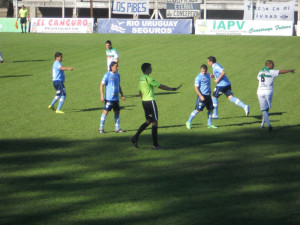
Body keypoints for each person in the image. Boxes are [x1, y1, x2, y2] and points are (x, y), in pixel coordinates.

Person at [130, 63, 182, 150]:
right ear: (147, 69)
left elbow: (140, 92)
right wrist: (173, 89)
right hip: (150, 102)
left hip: (144, 102)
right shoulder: (149, 79)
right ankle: (155, 145)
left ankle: (135, 137)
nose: (151, 69)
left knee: (148, 121)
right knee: (155, 122)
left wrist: (143, 99)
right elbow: (161, 86)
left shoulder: (141, 78)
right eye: (150, 67)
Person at [257, 60, 295, 131]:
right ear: (270, 64)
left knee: (264, 109)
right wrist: (289, 71)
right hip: (268, 91)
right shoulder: (271, 71)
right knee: (266, 108)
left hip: (260, 91)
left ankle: (262, 124)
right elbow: (280, 71)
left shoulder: (260, 71)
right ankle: (269, 124)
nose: (274, 66)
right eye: (273, 64)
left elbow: (258, 79)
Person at [186, 64, 217, 129]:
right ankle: (188, 122)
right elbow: (196, 88)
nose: (204, 72)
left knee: (210, 110)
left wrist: (215, 75)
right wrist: (200, 96)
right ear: (200, 70)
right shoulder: (198, 77)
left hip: (208, 96)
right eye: (202, 71)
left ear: (206, 70)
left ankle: (210, 124)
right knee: (198, 110)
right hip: (202, 96)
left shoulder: (208, 75)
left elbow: (212, 75)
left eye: (205, 71)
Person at [99, 61, 125, 133]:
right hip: (109, 98)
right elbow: (101, 85)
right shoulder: (107, 75)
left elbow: (118, 86)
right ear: (111, 67)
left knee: (117, 112)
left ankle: (117, 128)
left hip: (116, 98)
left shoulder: (118, 75)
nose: (117, 68)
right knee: (105, 112)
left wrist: (122, 95)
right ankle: (101, 128)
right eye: (116, 66)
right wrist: (102, 96)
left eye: (117, 66)